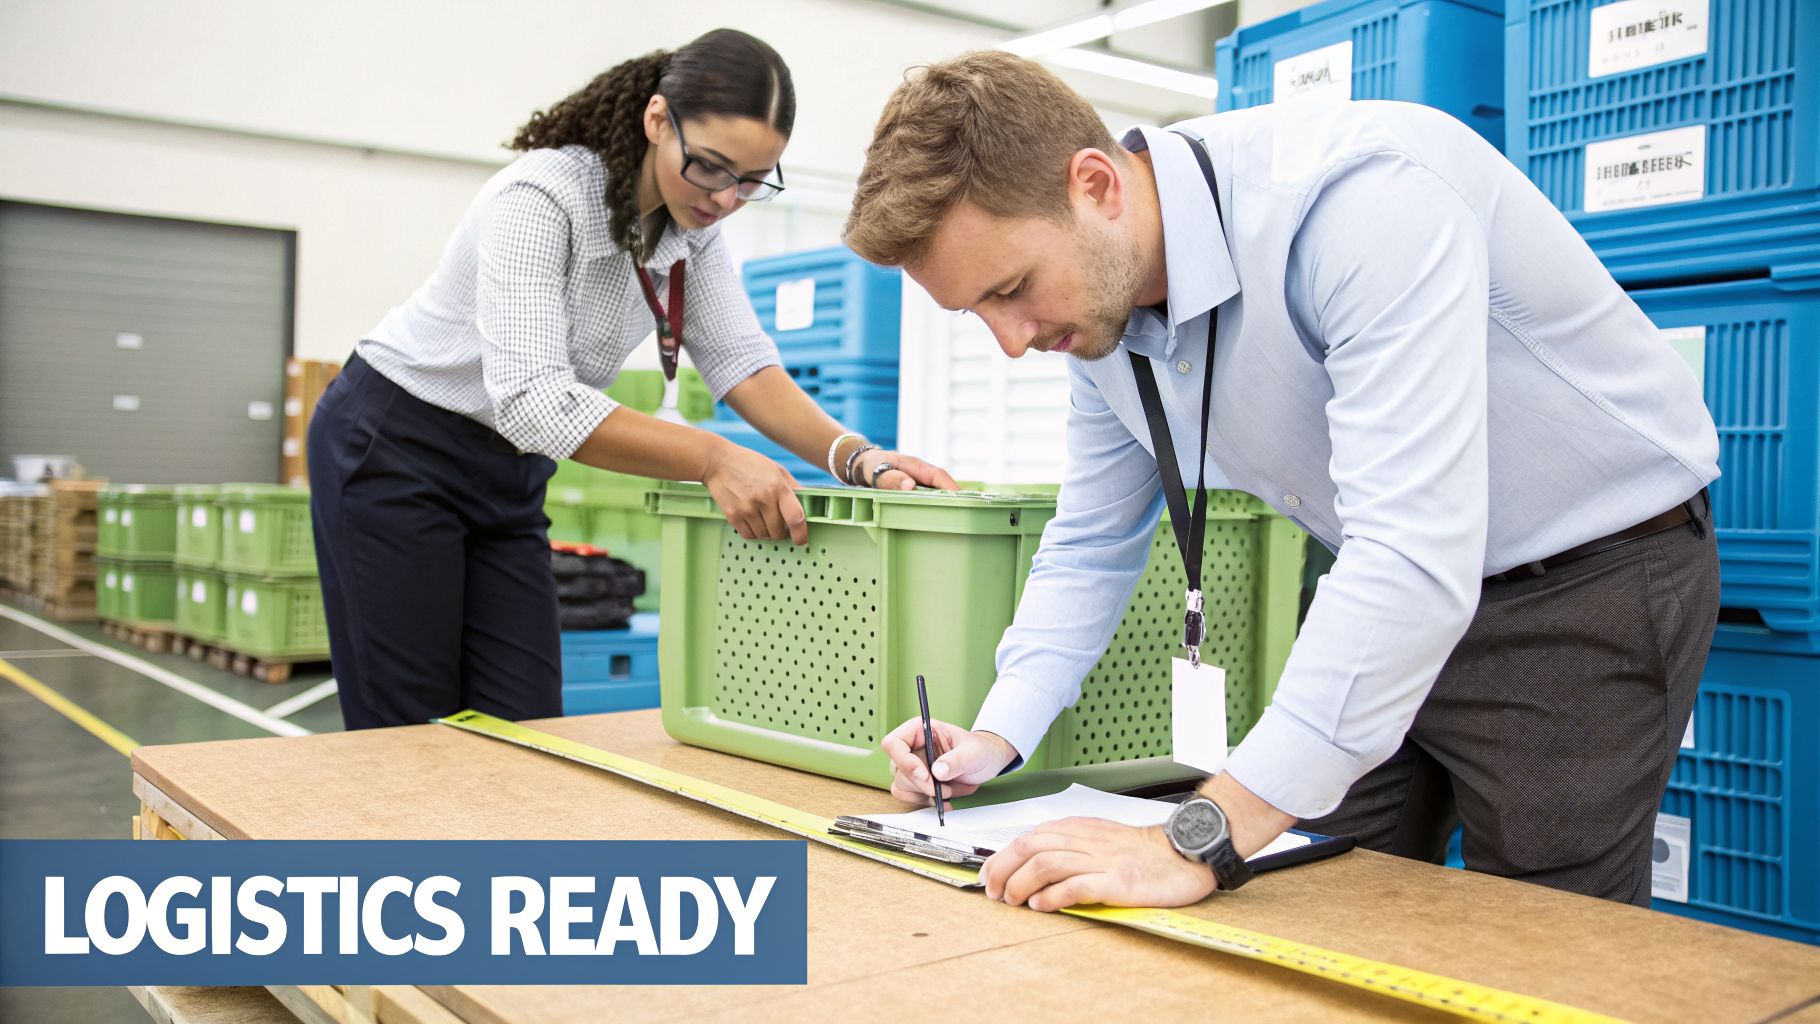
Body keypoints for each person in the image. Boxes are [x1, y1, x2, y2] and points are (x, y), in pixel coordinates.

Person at [853, 52, 1719, 911]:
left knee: (1540, 941)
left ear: (1096, 185)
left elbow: (1413, 550)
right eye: (979, 312)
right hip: (1374, 587)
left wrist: (1197, 835)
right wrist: (996, 737)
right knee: (1318, 892)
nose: (1012, 340)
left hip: (1580, 579)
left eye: (1013, 290)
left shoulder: (1360, 203)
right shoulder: (1095, 312)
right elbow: (1088, 542)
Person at [309, 29, 954, 731]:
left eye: (751, 181)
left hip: (508, 476)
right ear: (656, 121)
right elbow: (533, 402)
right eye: (711, 167)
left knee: (527, 729)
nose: (726, 199)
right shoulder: (539, 198)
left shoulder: (690, 230)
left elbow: (743, 362)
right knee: (408, 733)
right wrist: (712, 458)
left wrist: (858, 458)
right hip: (395, 447)